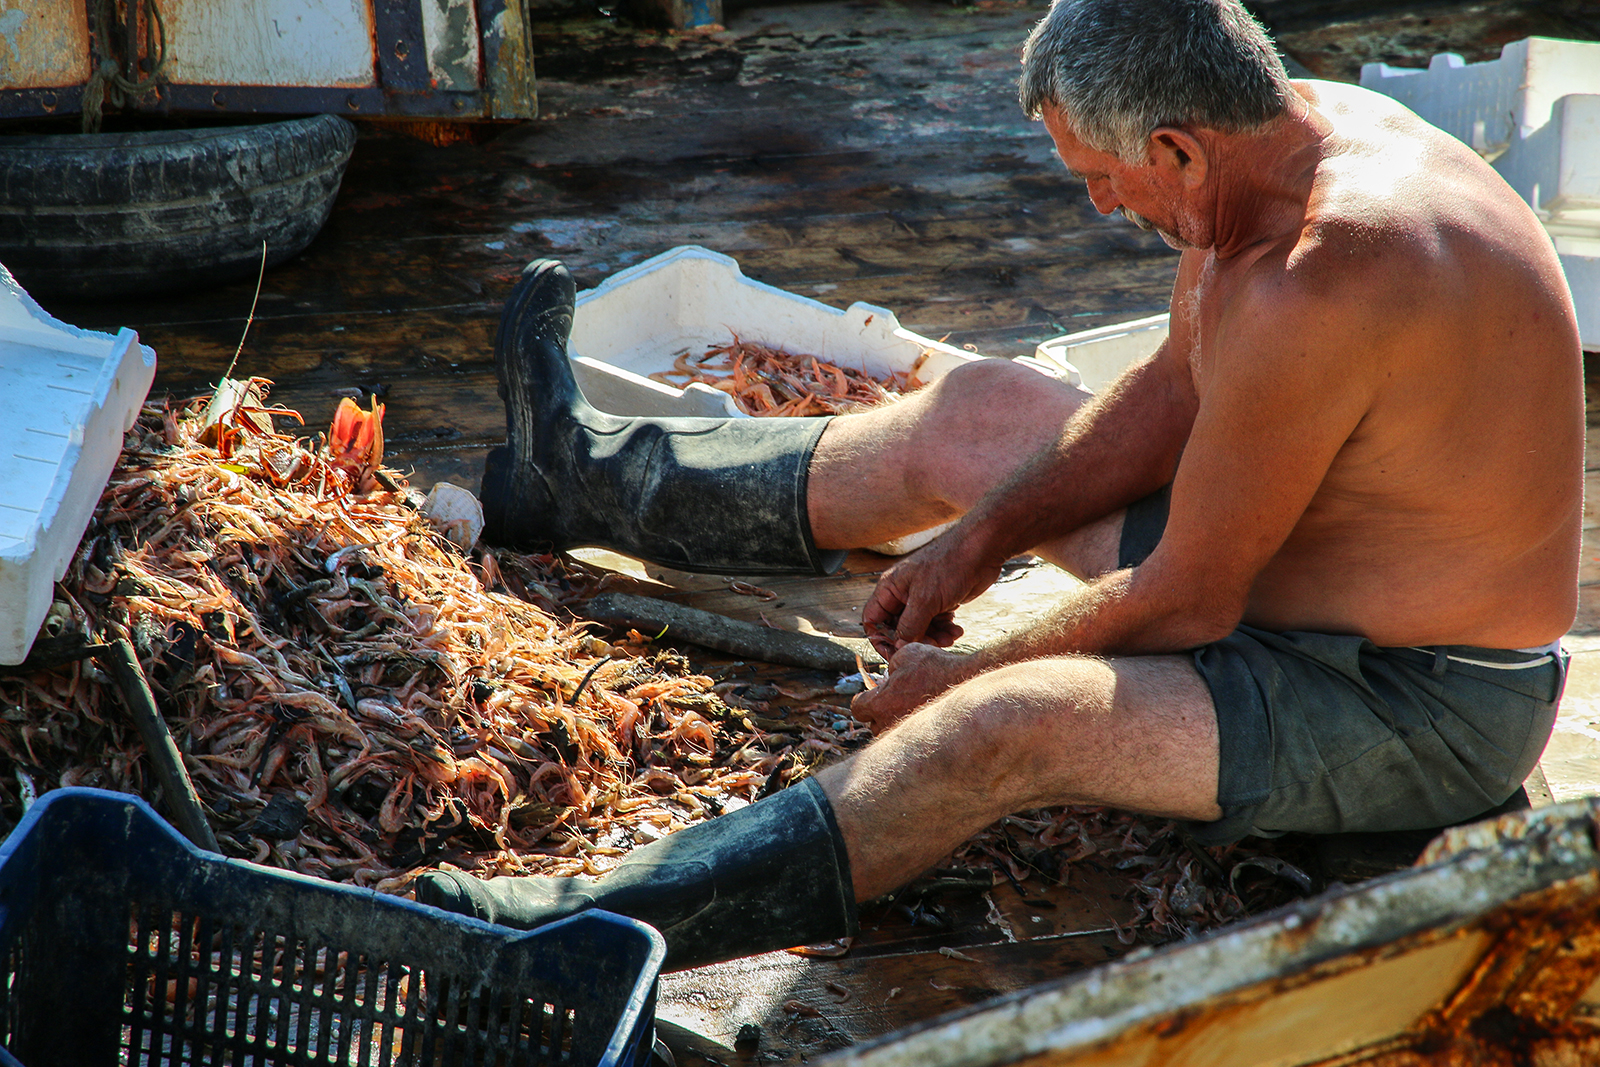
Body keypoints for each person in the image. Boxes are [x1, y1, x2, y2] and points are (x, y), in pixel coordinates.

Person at [416, 0, 1583, 969]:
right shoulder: (1271, 145)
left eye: (1101, 177)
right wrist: (972, 540)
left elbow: (1190, 602)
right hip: (1289, 565)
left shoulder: (1329, 270)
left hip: (1414, 697)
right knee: (986, 412)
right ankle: (567, 481)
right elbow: (1179, 381)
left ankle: (569, 930)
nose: (1098, 205)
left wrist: (962, 672)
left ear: (1177, 144)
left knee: (1006, 723)